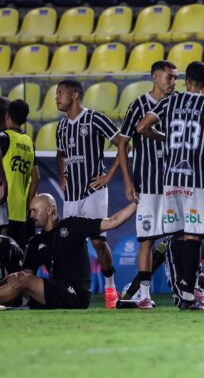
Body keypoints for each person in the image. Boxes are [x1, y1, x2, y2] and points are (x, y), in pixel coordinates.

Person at [137, 61, 204, 310]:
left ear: (185, 81)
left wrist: (166, 138)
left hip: (171, 181)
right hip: (196, 180)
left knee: (177, 235)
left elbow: (142, 127)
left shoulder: (169, 102)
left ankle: (181, 291)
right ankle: (189, 293)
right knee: (193, 237)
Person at [0, 194, 136, 309]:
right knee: (16, 282)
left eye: (35, 210)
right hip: (54, 291)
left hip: (76, 293)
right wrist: (12, 277)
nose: (31, 215)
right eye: (30, 211)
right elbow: (25, 276)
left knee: (23, 280)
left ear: (49, 210)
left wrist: (138, 202)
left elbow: (113, 222)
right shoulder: (36, 241)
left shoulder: (73, 225)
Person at [55, 79, 122, 308]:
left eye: (60, 93)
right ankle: (71, 289)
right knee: (69, 245)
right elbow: (61, 154)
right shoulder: (61, 126)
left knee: (98, 242)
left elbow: (123, 144)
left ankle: (110, 286)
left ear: (75, 95)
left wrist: (109, 175)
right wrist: (62, 174)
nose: (56, 98)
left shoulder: (95, 118)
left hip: (94, 192)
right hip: (71, 196)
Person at [116, 60, 177, 310]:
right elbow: (122, 143)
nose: (173, 82)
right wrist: (128, 181)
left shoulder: (177, 103)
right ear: (155, 77)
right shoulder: (139, 105)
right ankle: (143, 294)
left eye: (175, 78)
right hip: (148, 184)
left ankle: (186, 287)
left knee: (181, 238)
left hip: (175, 183)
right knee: (147, 240)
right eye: (169, 77)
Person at [0, 99, 39, 251]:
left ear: (7, 115)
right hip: (22, 212)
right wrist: (28, 205)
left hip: (5, 210)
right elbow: (36, 179)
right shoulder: (29, 142)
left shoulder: (3, 137)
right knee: (19, 260)